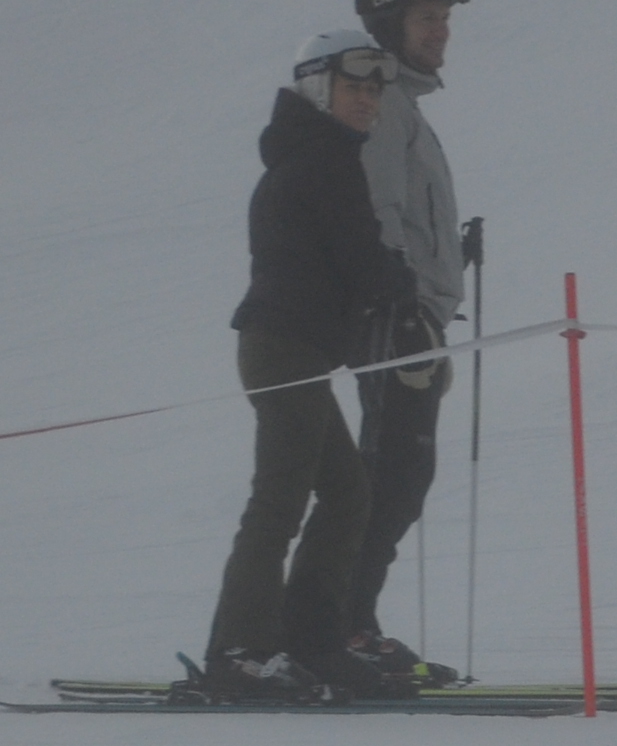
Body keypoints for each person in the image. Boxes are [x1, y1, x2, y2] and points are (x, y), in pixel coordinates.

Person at [196, 30, 419, 702]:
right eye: (354, 87)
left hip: (294, 350)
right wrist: (399, 282)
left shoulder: (317, 154)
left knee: (347, 492)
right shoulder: (323, 159)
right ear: (319, 89)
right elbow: (358, 257)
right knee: (282, 496)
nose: (367, 100)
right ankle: (239, 652)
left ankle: (309, 639)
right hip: (283, 349)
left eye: (375, 89)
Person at [342, 0, 467, 683]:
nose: (442, 30)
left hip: (415, 317)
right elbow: (379, 206)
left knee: (397, 473)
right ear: (390, 25)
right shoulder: (386, 103)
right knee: (394, 472)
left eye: (444, 16)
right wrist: (403, 302)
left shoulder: (401, 103)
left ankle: (349, 621)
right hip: (398, 321)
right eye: (426, 17)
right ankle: (344, 626)